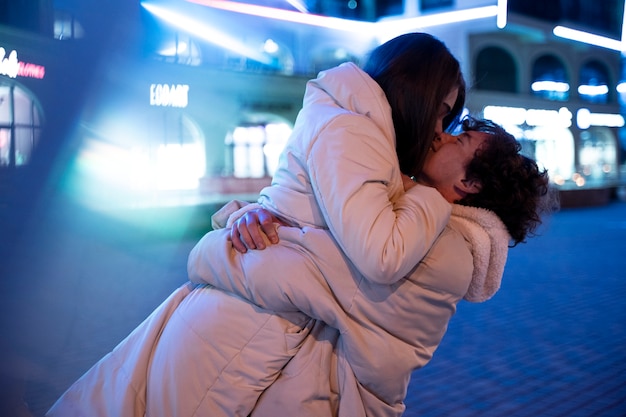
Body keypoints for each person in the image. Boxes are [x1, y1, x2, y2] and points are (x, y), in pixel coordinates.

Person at [46, 33, 551, 417]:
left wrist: (239, 231)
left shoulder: (436, 228)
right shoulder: (356, 129)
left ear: (471, 186)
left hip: (254, 334)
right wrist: (244, 222)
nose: (441, 132)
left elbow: (335, 245)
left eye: (453, 127)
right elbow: (368, 251)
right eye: (443, 113)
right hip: (241, 335)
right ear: (415, 88)